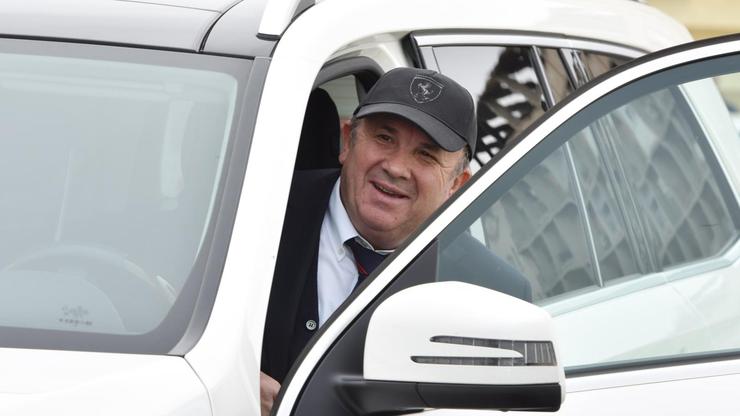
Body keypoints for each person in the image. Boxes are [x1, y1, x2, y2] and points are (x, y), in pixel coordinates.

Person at [259, 67, 529, 416]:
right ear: (347, 142)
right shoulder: (252, 214)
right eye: (384, 138)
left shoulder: (492, 294)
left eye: (426, 155)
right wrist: (237, 383)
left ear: (456, 186)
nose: (397, 167)